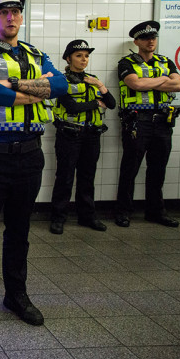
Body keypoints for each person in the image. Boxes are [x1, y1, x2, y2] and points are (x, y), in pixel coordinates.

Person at [0, 0, 68, 333]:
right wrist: (35, 89)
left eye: (16, 11)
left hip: (29, 155)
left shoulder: (36, 52)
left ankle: (16, 296)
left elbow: (62, 86)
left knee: (20, 231)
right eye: (3, 12)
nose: (11, 17)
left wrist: (14, 87)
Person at [115, 20, 180, 228]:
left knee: (158, 169)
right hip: (138, 123)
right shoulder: (126, 63)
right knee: (130, 168)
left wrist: (150, 83)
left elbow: (178, 85)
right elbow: (135, 83)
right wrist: (163, 80)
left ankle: (155, 212)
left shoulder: (165, 61)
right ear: (136, 41)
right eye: (145, 38)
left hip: (163, 122)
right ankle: (123, 212)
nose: (151, 40)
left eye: (153, 37)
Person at [49, 40, 116, 235]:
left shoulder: (93, 79)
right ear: (68, 58)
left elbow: (111, 104)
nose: (84, 59)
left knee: (88, 177)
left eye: (86, 56)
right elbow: (72, 107)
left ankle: (87, 216)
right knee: (65, 177)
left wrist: (100, 85)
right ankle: (58, 218)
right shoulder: (61, 81)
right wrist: (96, 103)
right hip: (69, 135)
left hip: (92, 136)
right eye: (79, 56)